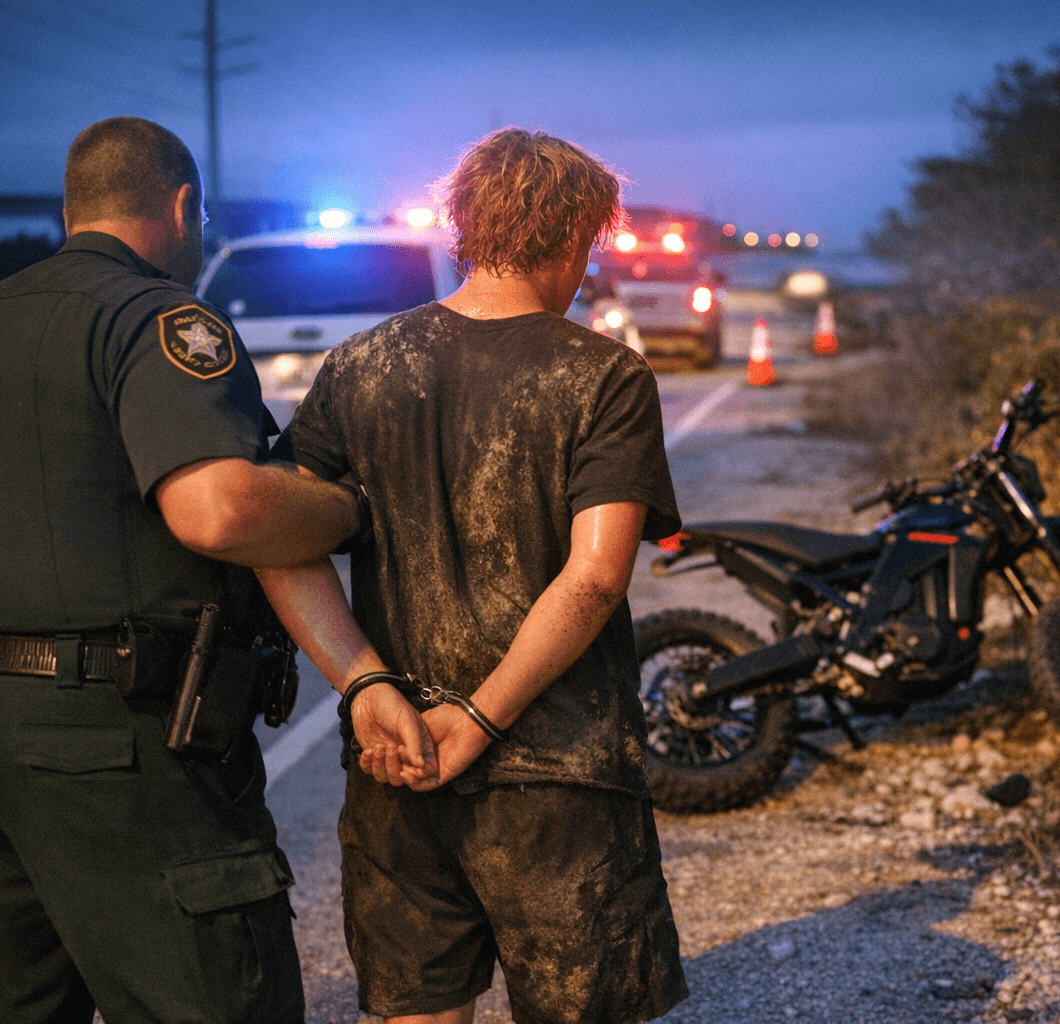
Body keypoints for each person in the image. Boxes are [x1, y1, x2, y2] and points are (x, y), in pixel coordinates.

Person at [0, 117, 367, 1023]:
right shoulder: (155, 317)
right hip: (112, 745)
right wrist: (345, 509)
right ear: (182, 205)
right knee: (208, 998)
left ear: (67, 211)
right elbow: (222, 510)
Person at [255, 128, 689, 1024]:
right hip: (559, 771)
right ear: (576, 235)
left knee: (420, 1008)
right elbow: (597, 578)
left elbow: (280, 539)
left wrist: (362, 682)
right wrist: (485, 716)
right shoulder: (603, 375)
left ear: (461, 225)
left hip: (397, 757)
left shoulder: (360, 367)